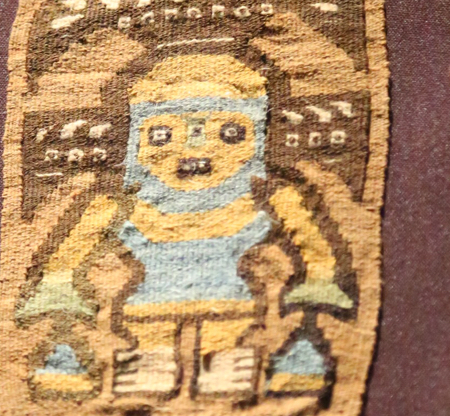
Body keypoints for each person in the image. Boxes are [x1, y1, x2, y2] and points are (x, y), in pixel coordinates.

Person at [18, 53, 350, 398]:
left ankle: (227, 399)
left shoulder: (265, 200)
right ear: (139, 144)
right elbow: (78, 242)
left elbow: (309, 237)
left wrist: (320, 274)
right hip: (151, 307)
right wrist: (58, 279)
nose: (195, 151)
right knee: (146, 379)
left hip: (228, 303)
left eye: (229, 133)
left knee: (224, 377)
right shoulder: (124, 206)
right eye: (163, 135)